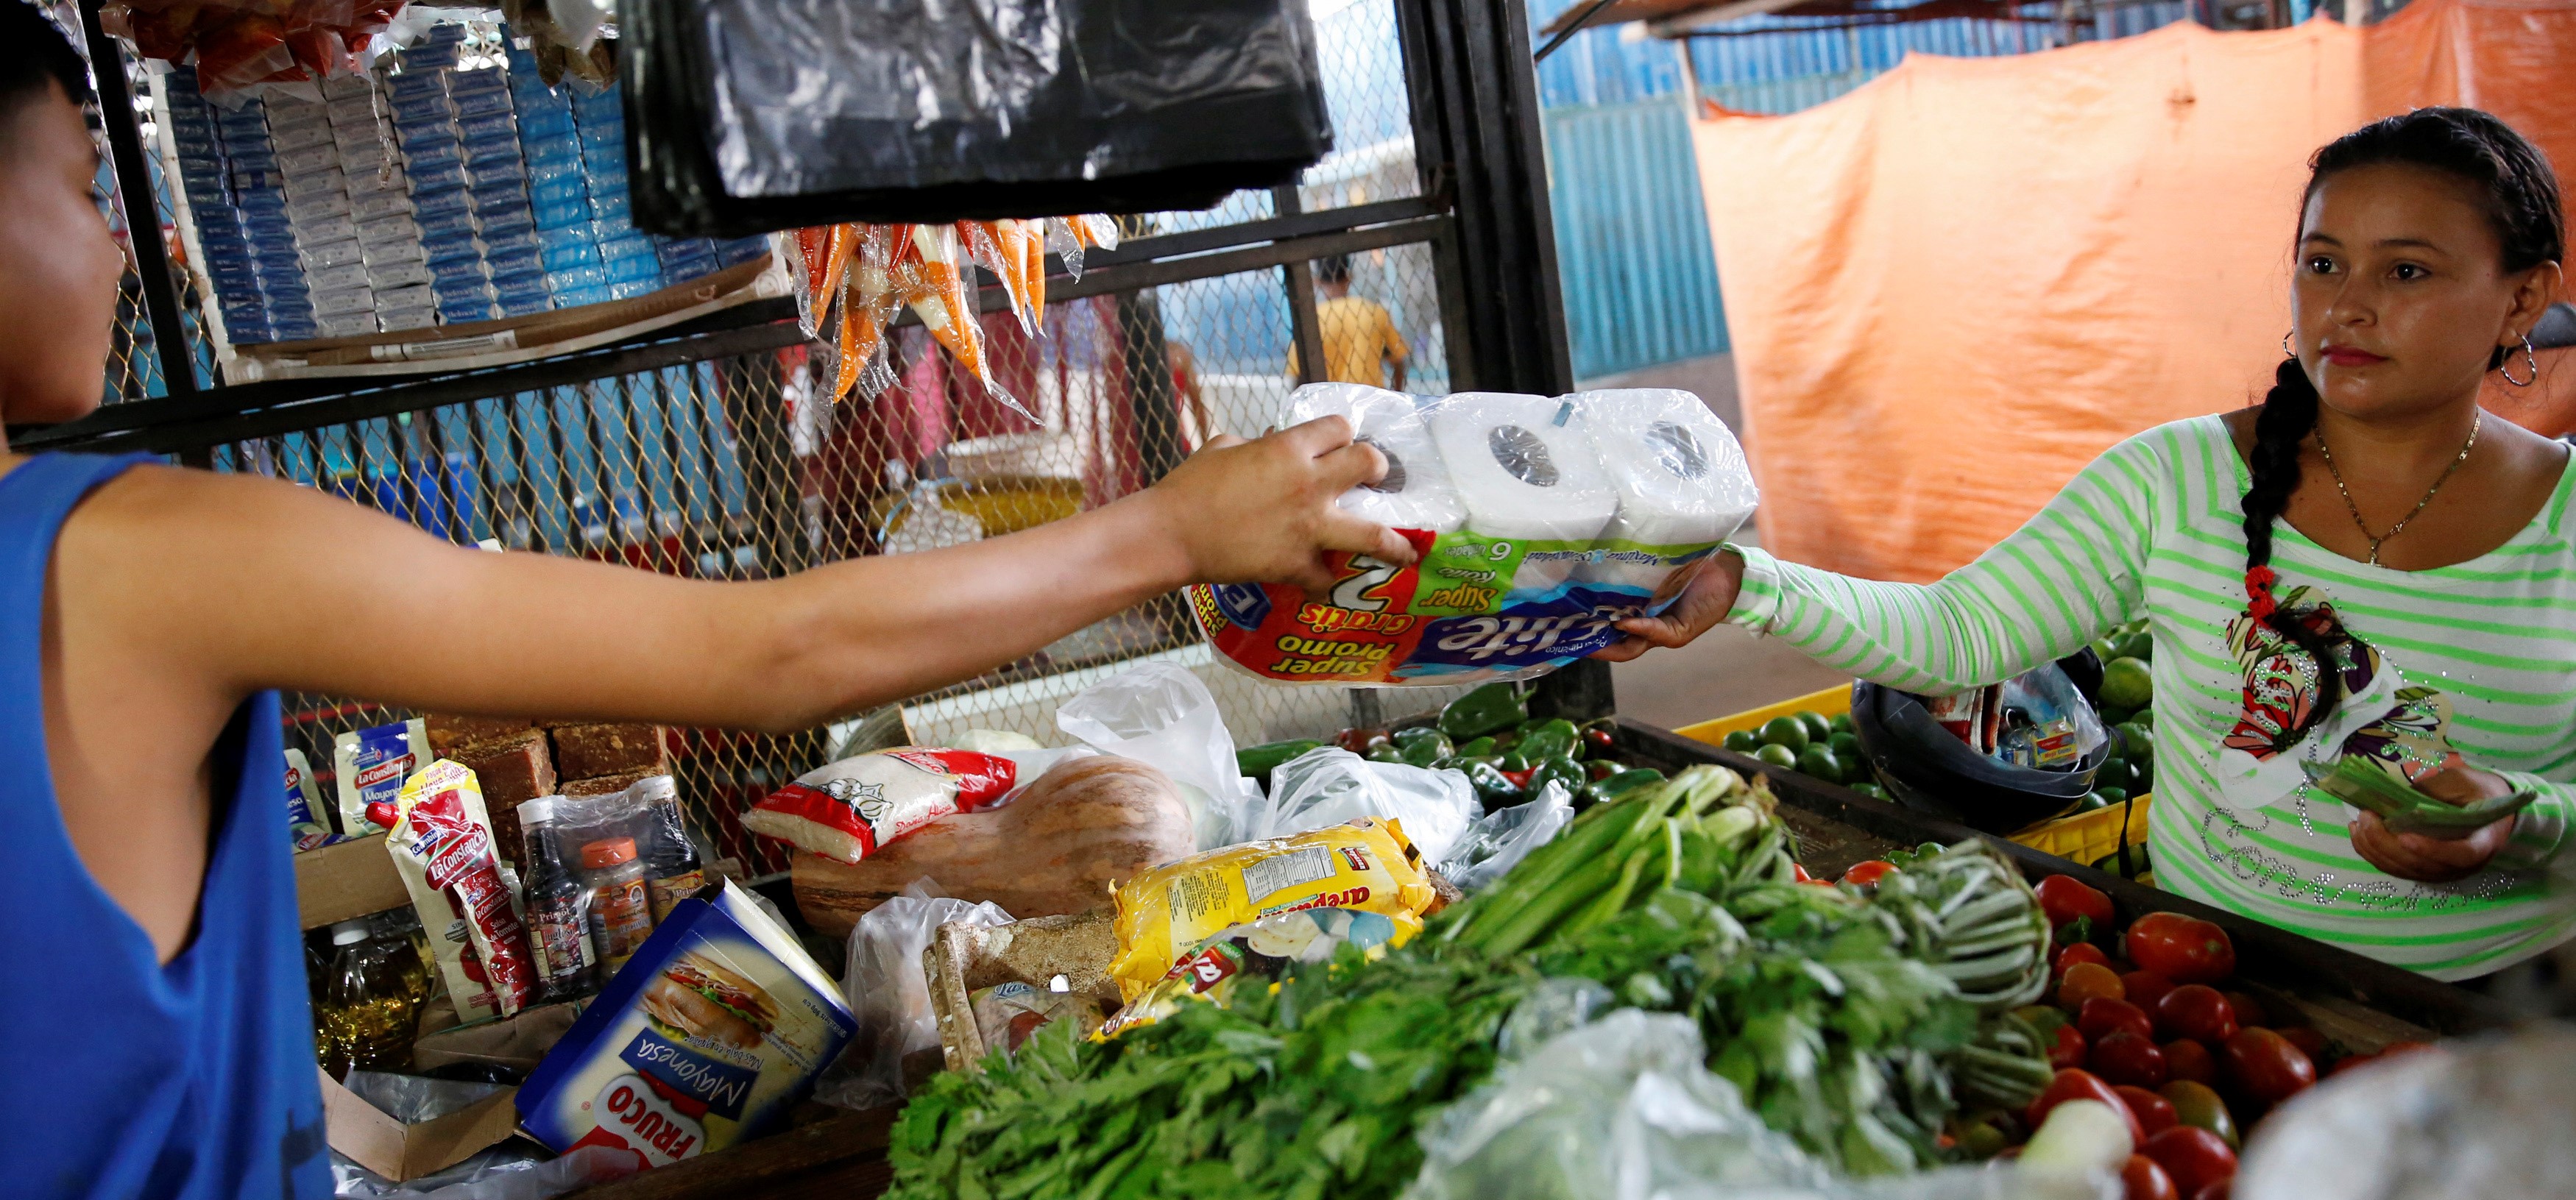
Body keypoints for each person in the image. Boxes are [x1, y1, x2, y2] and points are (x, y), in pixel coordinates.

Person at [0, 14, 1407, 1199]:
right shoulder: (131, 558)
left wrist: (435, 1143)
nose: (128, 250)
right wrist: (1174, 526)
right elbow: (774, 648)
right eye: (80, 189)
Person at [1603, 107, 2576, 982]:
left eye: (2406, 270)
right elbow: (1962, 632)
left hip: (2489, 1016)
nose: (2348, 305)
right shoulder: (2175, 480)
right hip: (2206, 980)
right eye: (2323, 262)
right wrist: (1746, 581)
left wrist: (2517, 813)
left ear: (2523, 300)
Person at [1289, 253, 1409, 390]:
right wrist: (1395, 396)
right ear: (1349, 277)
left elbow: (1299, 376)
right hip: (1370, 402)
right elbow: (1398, 362)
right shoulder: (1374, 311)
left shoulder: (1311, 320)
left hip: (1331, 405)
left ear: (1317, 281)